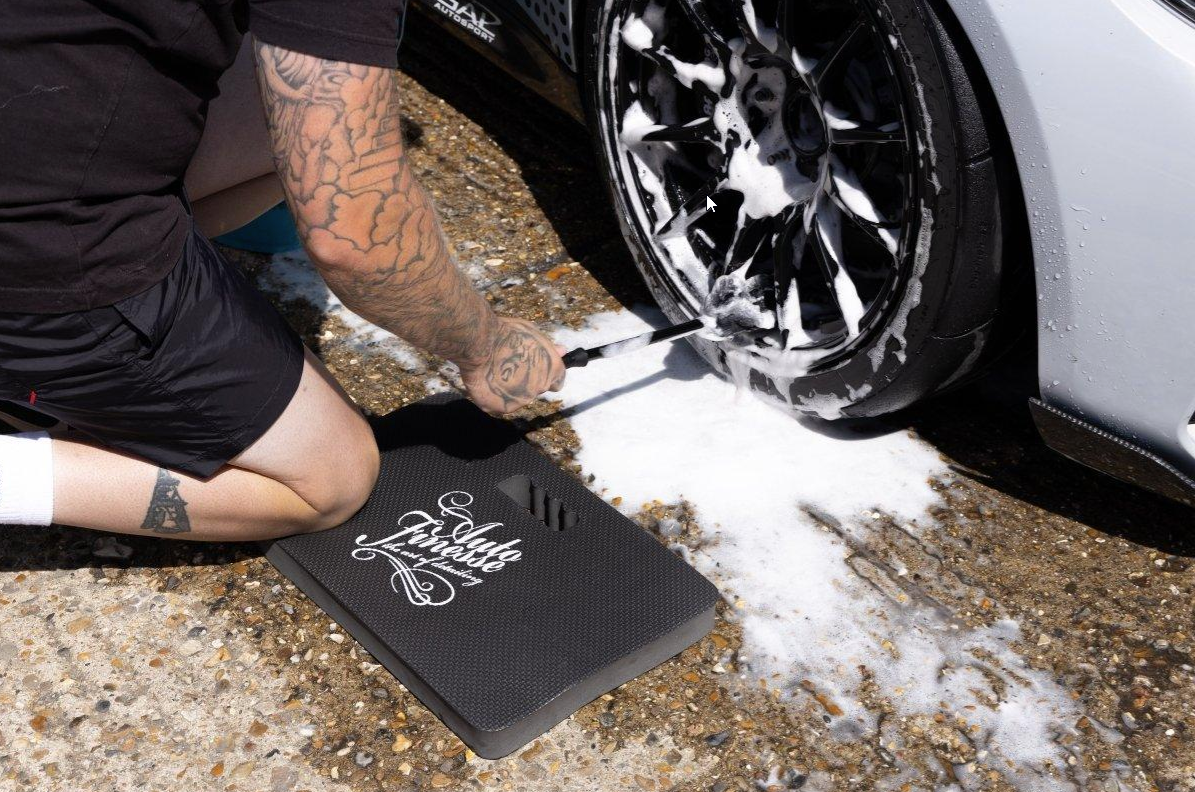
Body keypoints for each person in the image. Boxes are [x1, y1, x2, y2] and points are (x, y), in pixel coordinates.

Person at [0, 0, 566, 542]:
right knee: (334, 478)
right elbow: (355, 232)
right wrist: (488, 349)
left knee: (286, 103)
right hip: (32, 257)